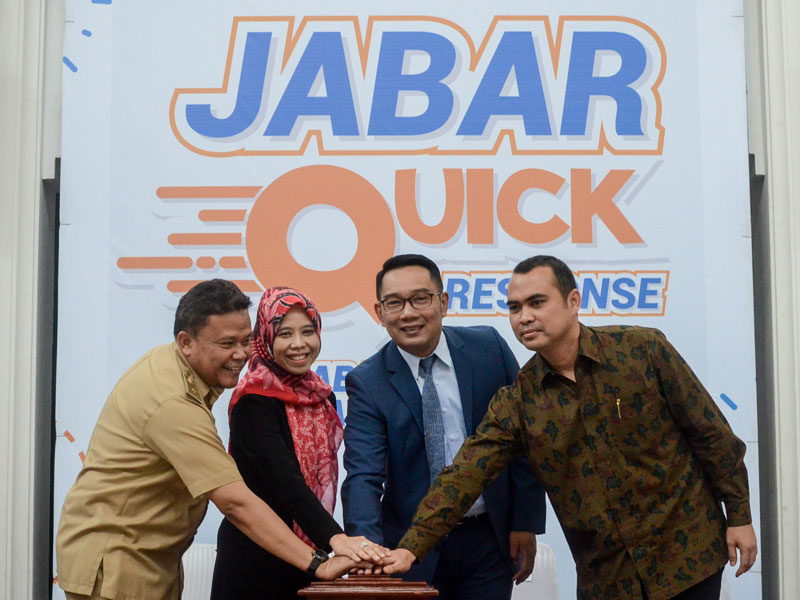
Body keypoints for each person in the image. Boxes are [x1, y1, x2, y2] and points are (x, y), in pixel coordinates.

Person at [383, 255, 758, 600]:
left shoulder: (641, 350)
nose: (524, 317)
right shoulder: (519, 401)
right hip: (607, 578)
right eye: (514, 308)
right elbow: (464, 475)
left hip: (686, 554)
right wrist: (411, 547)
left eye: (537, 303)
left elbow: (711, 435)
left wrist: (739, 515)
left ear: (573, 301)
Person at [56, 279, 382, 600]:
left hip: (149, 556)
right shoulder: (175, 400)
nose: (241, 354)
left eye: (246, 340)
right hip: (118, 560)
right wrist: (319, 562)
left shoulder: (179, 369)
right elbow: (235, 501)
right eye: (227, 344)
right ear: (186, 342)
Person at [342, 254, 546, 600]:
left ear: (444, 302)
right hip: (408, 548)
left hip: (488, 539)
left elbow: (524, 440)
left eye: (420, 298)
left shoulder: (488, 349)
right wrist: (366, 549)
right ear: (380, 312)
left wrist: (524, 521)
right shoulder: (367, 382)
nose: (408, 313)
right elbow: (363, 474)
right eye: (394, 303)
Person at [210, 287, 383, 599]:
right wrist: (336, 538)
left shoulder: (321, 396)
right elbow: (285, 482)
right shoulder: (253, 400)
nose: (299, 344)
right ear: (265, 338)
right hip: (257, 558)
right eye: (285, 334)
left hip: (310, 555)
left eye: (307, 331)